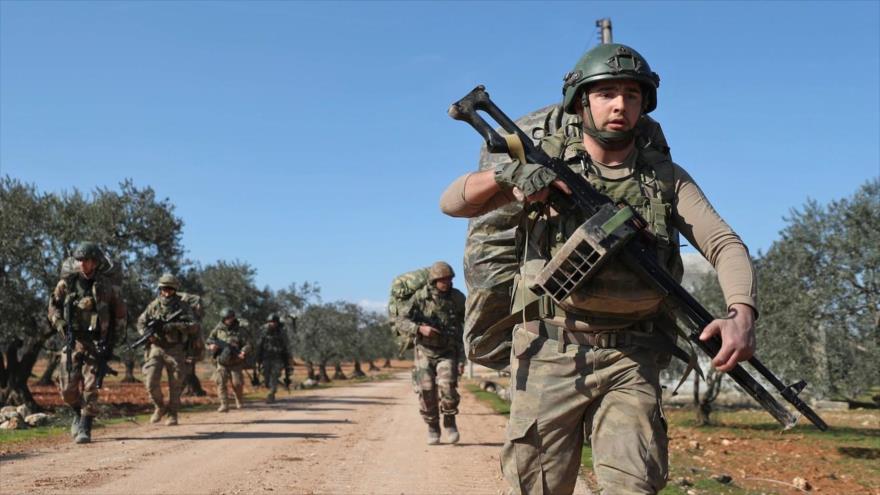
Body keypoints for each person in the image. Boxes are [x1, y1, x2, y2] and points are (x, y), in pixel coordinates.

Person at [440, 43, 757, 494]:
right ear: (581, 102)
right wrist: (507, 177)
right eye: (606, 93)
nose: (620, 105)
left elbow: (724, 243)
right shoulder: (543, 166)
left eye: (632, 94)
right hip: (549, 350)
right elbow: (452, 203)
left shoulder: (665, 178)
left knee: (634, 486)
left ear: (644, 104)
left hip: (632, 355)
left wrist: (741, 314)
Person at [47, 241, 127, 444]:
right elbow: (53, 306)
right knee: (67, 391)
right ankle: (78, 411)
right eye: (80, 260)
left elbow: (119, 315)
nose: (83, 263)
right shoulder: (67, 283)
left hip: (96, 342)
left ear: (96, 262)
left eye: (87, 260)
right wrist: (59, 322)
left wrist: (112, 343)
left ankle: (85, 426)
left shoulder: (107, 287)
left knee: (91, 386)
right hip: (73, 340)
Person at [393, 261, 466, 445]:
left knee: (448, 387)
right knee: (426, 390)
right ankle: (432, 426)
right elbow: (400, 320)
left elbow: (467, 325)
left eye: (449, 279)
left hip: (448, 350)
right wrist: (419, 329)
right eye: (442, 280)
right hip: (424, 351)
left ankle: (449, 421)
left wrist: (462, 358)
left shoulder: (457, 298)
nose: (446, 283)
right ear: (434, 280)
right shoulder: (420, 297)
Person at [136, 274, 200, 426]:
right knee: (150, 381)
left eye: (170, 289)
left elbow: (194, 326)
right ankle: (159, 407)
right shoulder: (154, 305)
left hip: (175, 349)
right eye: (164, 288)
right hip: (157, 348)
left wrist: (175, 326)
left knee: (176, 384)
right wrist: (147, 335)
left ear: (175, 289)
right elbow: (141, 323)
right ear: (160, 289)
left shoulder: (183, 307)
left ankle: (172, 413)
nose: (166, 292)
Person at [207, 308, 251, 412]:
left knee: (237, 383)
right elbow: (209, 340)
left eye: (231, 317)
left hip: (236, 361)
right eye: (227, 318)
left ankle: (239, 400)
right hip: (222, 361)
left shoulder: (240, 330)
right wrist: (211, 346)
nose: (229, 320)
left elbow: (248, 344)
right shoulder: (218, 329)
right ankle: (224, 404)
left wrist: (243, 351)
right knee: (220, 382)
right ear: (223, 318)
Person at [256, 313, 292, 403]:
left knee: (274, 376)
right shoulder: (263, 330)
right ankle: (269, 387)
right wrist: (257, 358)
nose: (272, 324)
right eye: (270, 322)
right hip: (265, 357)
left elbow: (286, 345)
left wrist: (287, 358)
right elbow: (259, 344)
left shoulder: (281, 332)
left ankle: (271, 394)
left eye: (274, 322)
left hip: (277, 358)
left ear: (277, 322)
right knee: (266, 376)